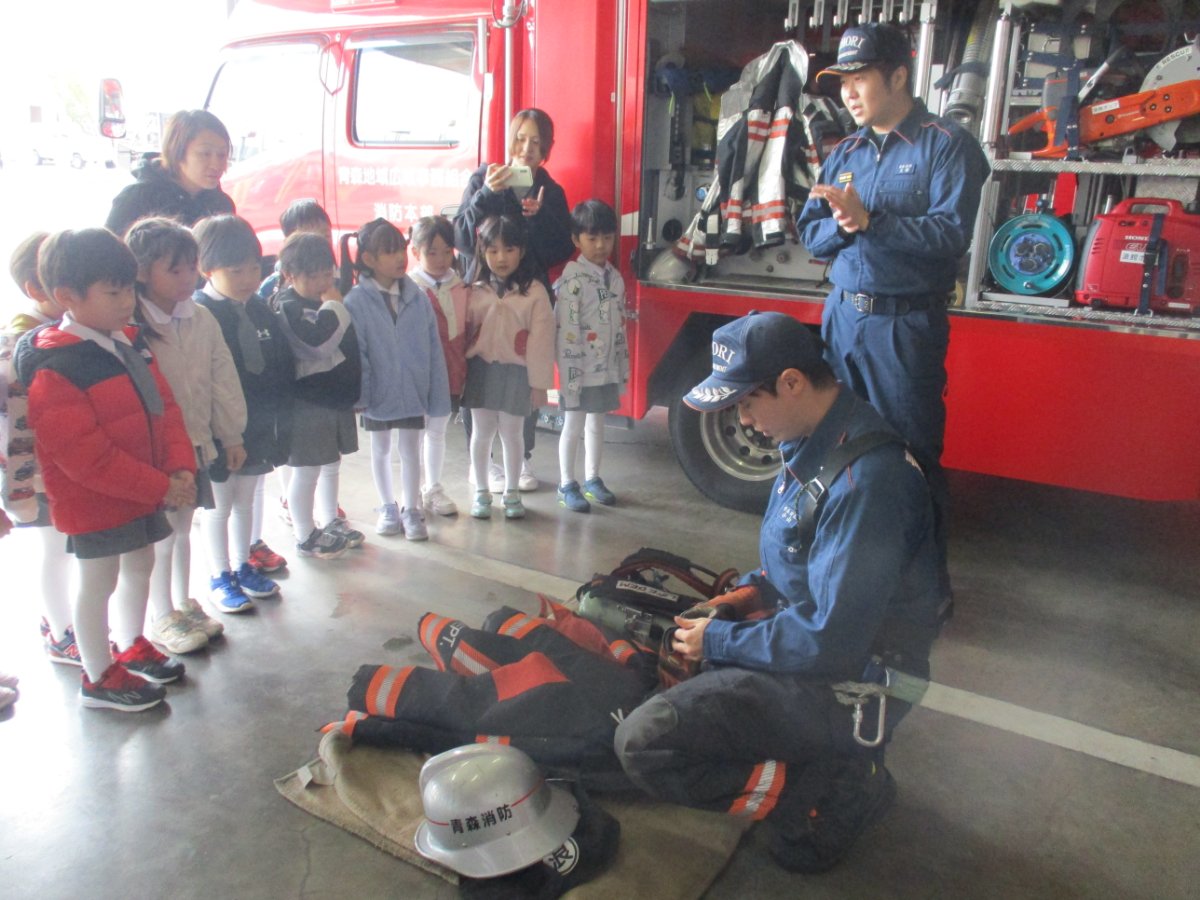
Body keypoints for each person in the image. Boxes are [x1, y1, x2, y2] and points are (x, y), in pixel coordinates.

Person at [614, 312, 942, 873]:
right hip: (817, 643)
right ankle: (815, 758)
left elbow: (832, 642)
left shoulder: (869, 484)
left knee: (645, 742)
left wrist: (721, 641)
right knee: (668, 668)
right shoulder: (812, 442)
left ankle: (834, 787)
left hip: (854, 681)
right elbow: (792, 567)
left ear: (792, 382)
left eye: (746, 403)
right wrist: (739, 600)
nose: (743, 421)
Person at [796, 23, 990, 611]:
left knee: (910, 456)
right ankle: (847, 576)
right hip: (843, 323)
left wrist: (871, 220)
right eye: (844, 82)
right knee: (837, 450)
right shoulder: (844, 152)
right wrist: (843, 223)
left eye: (860, 79)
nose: (849, 93)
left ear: (899, 75)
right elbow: (811, 232)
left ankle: (925, 593)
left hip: (904, 329)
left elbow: (951, 233)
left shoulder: (946, 144)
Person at [13, 229, 197, 712]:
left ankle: (131, 642)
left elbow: (166, 409)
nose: (126, 303)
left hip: (146, 490)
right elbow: (86, 459)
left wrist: (179, 466)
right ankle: (98, 676)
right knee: (98, 583)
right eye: (113, 293)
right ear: (67, 298)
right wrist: (161, 485)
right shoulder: (57, 366)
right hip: (96, 502)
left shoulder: (129, 342)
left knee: (142, 563)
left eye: (130, 289)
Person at [128, 218, 247, 650]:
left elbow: (222, 376)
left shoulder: (200, 316)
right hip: (154, 454)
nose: (186, 278)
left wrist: (230, 434)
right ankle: (162, 614)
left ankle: (182, 601)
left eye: (190, 268)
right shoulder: (130, 325)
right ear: (141, 271)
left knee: (182, 527)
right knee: (160, 534)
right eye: (173, 270)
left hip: (195, 443)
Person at [455, 108, 574, 491]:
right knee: (481, 375)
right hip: (483, 297)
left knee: (523, 378)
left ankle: (520, 459)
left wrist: (538, 218)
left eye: (536, 142)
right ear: (509, 141)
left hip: (527, 299)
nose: (526, 149)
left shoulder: (551, 191)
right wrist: (488, 194)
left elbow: (559, 251)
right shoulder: (483, 178)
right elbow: (460, 237)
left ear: (547, 150)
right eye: (520, 139)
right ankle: (483, 463)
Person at [194, 215, 293, 611]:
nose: (249, 278)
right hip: (221, 431)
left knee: (247, 500)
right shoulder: (202, 314)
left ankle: (242, 563)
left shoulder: (259, 309)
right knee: (219, 506)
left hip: (257, 425)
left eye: (254, 267)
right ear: (207, 268)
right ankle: (220, 576)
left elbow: (278, 364)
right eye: (236, 270)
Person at [1, 232, 81, 667]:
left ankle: (62, 621)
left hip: (58, 465)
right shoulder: (22, 339)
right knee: (55, 549)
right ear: (37, 289)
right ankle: (61, 630)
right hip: (36, 472)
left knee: (64, 547)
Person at [343, 218, 450, 541]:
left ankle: (411, 507)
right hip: (379, 391)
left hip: (412, 388)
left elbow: (433, 348)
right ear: (369, 260)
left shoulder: (418, 297)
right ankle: (387, 505)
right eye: (389, 253)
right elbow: (358, 353)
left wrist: (437, 394)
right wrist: (362, 396)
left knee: (411, 449)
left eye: (401, 250)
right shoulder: (356, 301)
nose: (400, 259)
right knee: (380, 448)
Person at [275, 232, 363, 558]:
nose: (322, 281)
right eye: (312, 276)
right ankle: (304, 533)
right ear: (290, 274)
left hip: (334, 398)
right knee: (306, 470)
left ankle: (329, 521)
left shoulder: (323, 301)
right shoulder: (288, 306)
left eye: (327, 273)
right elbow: (317, 345)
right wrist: (336, 307)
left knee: (330, 463)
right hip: (306, 402)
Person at [462, 214, 554, 522]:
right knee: (481, 433)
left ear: (522, 251)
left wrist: (540, 384)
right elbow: (461, 334)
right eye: (493, 250)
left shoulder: (535, 292)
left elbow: (542, 342)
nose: (501, 258)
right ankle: (482, 492)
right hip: (480, 371)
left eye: (510, 249)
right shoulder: (472, 290)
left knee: (513, 435)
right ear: (482, 251)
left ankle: (512, 492)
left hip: (517, 374)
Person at [553, 199, 629, 513]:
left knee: (597, 423)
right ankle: (567, 484)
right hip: (578, 372)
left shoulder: (615, 279)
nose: (601, 245)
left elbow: (620, 328)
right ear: (576, 240)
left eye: (607, 238)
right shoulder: (572, 283)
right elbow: (565, 332)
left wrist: (620, 368)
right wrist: (570, 376)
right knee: (573, 425)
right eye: (592, 238)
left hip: (606, 369)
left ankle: (592, 479)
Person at [409, 215, 468, 519]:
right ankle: (413, 490)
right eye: (432, 252)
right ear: (415, 251)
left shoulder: (461, 287)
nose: (441, 259)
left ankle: (432, 487)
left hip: (450, 372)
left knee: (437, 430)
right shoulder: (409, 288)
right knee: (415, 433)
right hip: (418, 374)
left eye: (447, 252)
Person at [105, 110, 236, 237]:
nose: (216, 164)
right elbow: (109, 254)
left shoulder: (222, 205)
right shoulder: (136, 199)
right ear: (176, 151)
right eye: (205, 154)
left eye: (222, 155)